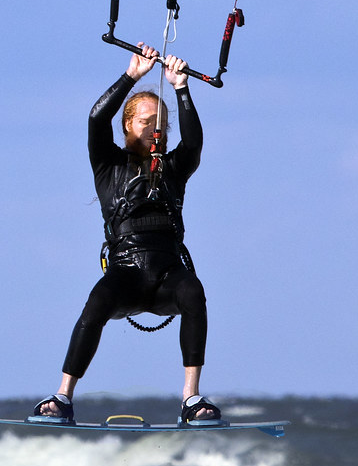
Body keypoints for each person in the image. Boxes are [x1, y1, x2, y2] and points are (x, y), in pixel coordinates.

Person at [29, 43, 221, 426]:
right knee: (98, 299)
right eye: (147, 121)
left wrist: (181, 88)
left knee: (194, 291)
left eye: (161, 123)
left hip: (168, 273)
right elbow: (95, 120)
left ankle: (190, 399)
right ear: (129, 125)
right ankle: (63, 397)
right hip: (125, 273)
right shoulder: (108, 164)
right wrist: (131, 76)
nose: (156, 128)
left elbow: (194, 142)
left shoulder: (174, 168)